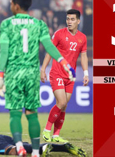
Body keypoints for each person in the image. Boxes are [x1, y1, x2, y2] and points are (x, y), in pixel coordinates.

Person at [0, 0, 75, 157]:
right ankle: (36, 152)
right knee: (32, 114)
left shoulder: (7, 24)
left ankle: (19, 146)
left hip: (14, 73)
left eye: (11, 3)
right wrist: (63, 62)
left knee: (15, 112)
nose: (10, 6)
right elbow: (50, 46)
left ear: (16, 5)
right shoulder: (39, 24)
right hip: (32, 73)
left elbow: (4, 52)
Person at [41, 9, 89, 143]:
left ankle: (56, 135)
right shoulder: (59, 34)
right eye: (68, 19)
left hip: (70, 76)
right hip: (57, 73)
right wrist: (43, 69)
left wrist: (86, 73)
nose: (69, 22)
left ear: (78, 21)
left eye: (72, 19)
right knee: (61, 102)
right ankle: (46, 130)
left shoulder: (82, 38)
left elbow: (83, 56)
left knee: (64, 106)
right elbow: (50, 52)